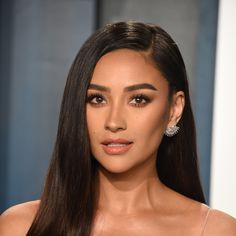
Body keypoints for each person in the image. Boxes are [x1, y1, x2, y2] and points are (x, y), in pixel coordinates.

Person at [0, 21, 236, 236]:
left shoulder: (214, 230)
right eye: (97, 99)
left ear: (174, 109)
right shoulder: (20, 227)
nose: (113, 122)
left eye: (138, 99)